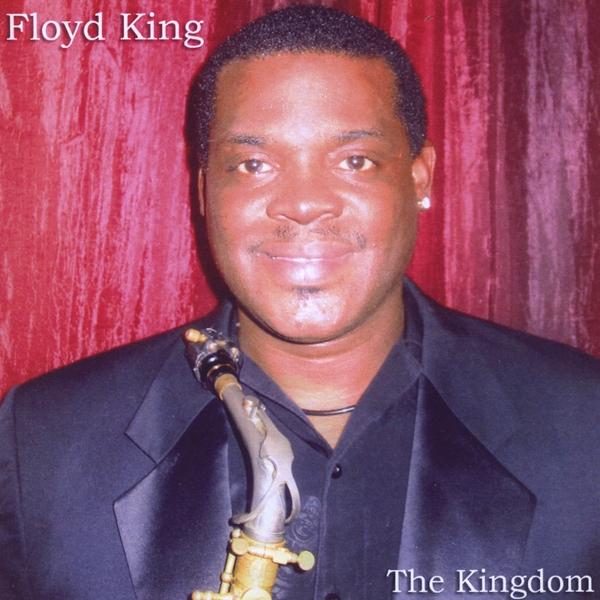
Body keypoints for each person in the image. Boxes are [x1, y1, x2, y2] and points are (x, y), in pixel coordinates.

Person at [1, 5, 599, 600]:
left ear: (420, 178)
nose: (304, 203)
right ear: (204, 191)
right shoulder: (43, 441)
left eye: (355, 161)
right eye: (253, 164)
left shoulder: (584, 422)